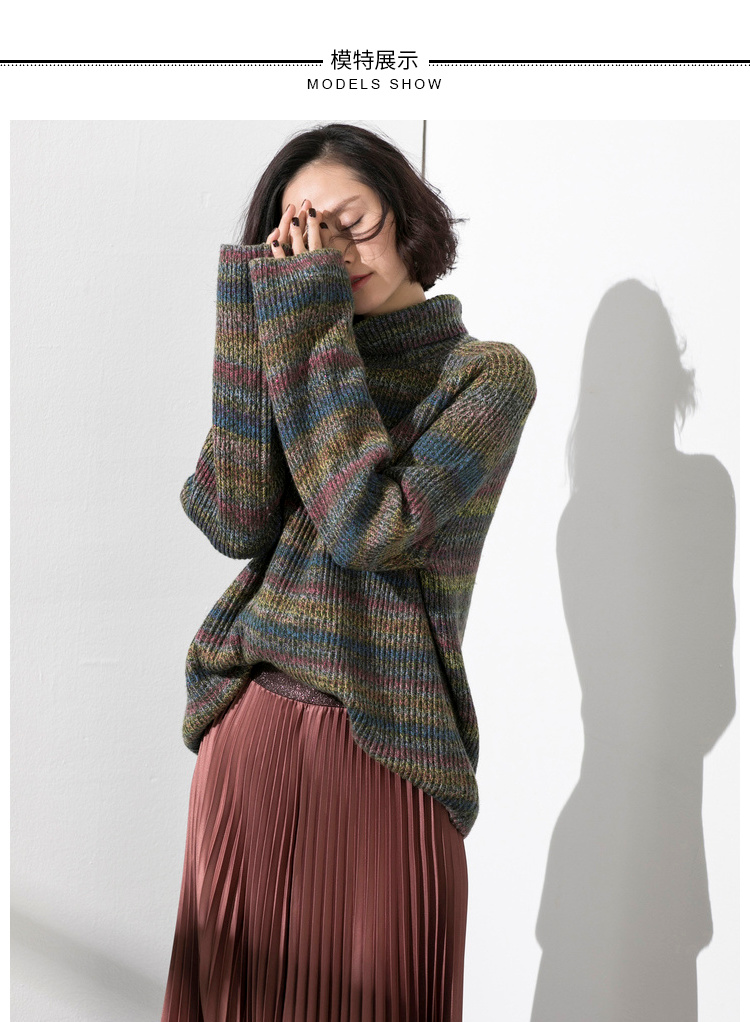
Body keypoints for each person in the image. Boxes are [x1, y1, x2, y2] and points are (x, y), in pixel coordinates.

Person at [160, 122, 537, 1022]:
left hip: (390, 746)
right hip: (253, 735)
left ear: (408, 217)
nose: (330, 250)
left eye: (352, 223)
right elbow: (232, 515)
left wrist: (308, 325)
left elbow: (366, 526)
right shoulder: (299, 348)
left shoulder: (484, 377)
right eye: (302, 231)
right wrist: (257, 314)